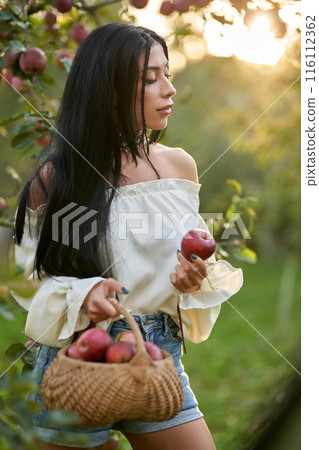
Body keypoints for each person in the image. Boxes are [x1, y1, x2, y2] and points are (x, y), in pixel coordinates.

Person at [12, 22, 243, 450]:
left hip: (156, 356)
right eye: (151, 78)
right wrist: (84, 294)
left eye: (168, 73)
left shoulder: (178, 168)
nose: (169, 89)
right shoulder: (58, 179)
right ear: (108, 89)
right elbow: (28, 281)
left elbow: (196, 255)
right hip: (79, 359)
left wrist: (193, 281)